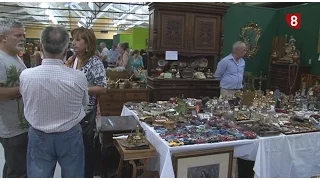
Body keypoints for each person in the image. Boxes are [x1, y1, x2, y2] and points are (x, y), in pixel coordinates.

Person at [19, 25, 88, 178]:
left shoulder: (26, 76)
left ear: (41, 45)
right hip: (70, 133)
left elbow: (27, 101)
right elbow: (84, 104)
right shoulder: (78, 77)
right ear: (66, 49)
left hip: (38, 134)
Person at [65, 26, 107, 178]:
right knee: (74, 148)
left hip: (86, 113)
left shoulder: (94, 63)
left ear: (88, 44)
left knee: (86, 147)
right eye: (73, 40)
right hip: (72, 111)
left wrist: (81, 89)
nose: (73, 43)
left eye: (78, 40)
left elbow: (102, 88)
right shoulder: (73, 59)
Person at [0, 18, 28, 178]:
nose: (22, 39)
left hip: (20, 125)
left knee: (14, 167)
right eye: (17, 35)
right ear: (3, 37)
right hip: (10, 127)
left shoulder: (15, 57)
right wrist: (25, 88)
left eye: (23, 35)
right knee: (18, 171)